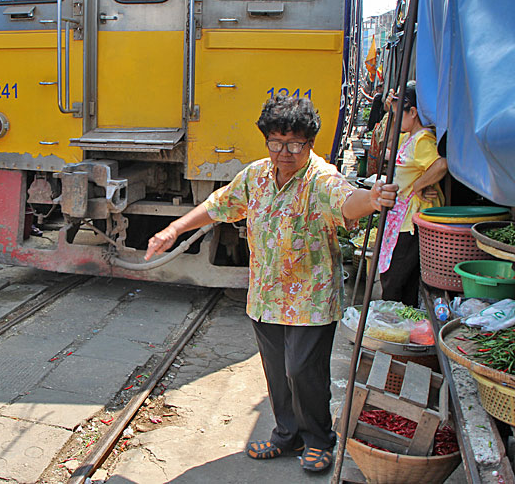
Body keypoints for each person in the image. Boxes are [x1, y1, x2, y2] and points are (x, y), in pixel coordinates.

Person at [145, 95, 398, 473]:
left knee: (302, 370)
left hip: (311, 299)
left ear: (309, 143)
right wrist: (174, 228)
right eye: (276, 143)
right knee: (277, 371)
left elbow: (348, 203)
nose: (284, 152)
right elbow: (219, 204)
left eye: (294, 144)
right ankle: (286, 434)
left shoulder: (321, 179)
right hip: (266, 296)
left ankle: (318, 439)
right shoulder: (256, 176)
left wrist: (373, 199)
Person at [378, 82, 447, 307]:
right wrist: (389, 111)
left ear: (414, 112)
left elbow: (441, 165)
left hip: (413, 223)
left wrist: (419, 185)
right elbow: (387, 145)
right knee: (398, 280)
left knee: (395, 281)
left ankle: (392, 326)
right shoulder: (408, 136)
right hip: (400, 220)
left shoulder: (423, 139)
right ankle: (400, 329)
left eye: (399, 114)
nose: (396, 119)